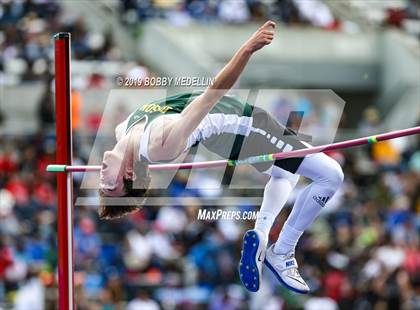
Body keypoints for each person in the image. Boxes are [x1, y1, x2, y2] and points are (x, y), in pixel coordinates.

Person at [99, 21, 344, 294]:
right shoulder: (160, 147)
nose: (101, 179)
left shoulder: (124, 129)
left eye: (104, 187)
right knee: (332, 175)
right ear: (130, 174)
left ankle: (263, 236)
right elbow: (214, 92)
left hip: (237, 128)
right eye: (111, 186)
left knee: (285, 172)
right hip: (246, 127)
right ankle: (283, 250)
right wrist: (248, 48)